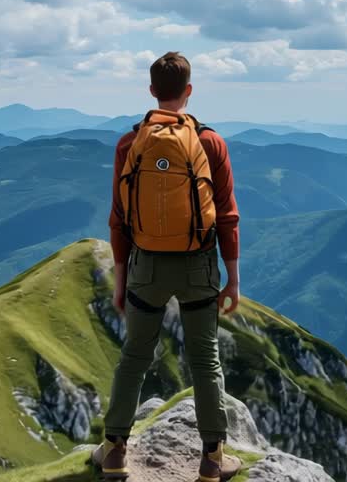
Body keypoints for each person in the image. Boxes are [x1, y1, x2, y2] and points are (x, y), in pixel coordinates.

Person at [91, 51, 243, 482]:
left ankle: (115, 452)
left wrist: (121, 282)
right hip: (198, 267)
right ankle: (213, 459)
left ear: (152, 91)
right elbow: (227, 216)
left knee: (134, 356)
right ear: (189, 91)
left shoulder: (129, 143)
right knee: (205, 360)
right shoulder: (211, 143)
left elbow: (118, 221)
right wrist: (232, 278)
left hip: (146, 267)